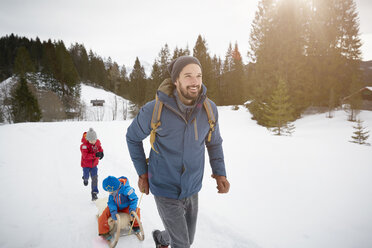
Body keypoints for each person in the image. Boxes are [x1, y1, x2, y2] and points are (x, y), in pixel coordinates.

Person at [126, 56, 230, 248]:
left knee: (186, 239)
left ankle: (161, 238)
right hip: (164, 187)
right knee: (182, 245)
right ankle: (170, 239)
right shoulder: (154, 110)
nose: (195, 81)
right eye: (188, 75)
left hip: (192, 186)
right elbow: (132, 137)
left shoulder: (209, 109)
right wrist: (142, 173)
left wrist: (220, 172)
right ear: (176, 80)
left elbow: (214, 143)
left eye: (198, 75)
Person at [98, 176, 141, 240]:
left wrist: (132, 209)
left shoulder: (127, 189)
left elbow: (134, 199)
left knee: (136, 211)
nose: (109, 193)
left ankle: (135, 225)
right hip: (116, 206)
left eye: (110, 191)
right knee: (104, 215)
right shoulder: (112, 192)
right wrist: (113, 211)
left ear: (115, 188)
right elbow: (111, 202)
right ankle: (104, 231)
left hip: (126, 206)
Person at [80, 128, 104, 201]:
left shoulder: (97, 142)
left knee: (94, 178)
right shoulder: (84, 146)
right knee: (87, 176)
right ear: (88, 139)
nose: (93, 142)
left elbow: (100, 149)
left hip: (94, 165)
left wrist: (101, 153)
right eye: (91, 141)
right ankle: (85, 178)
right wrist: (95, 155)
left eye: (94, 140)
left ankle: (94, 193)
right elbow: (85, 156)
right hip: (86, 165)